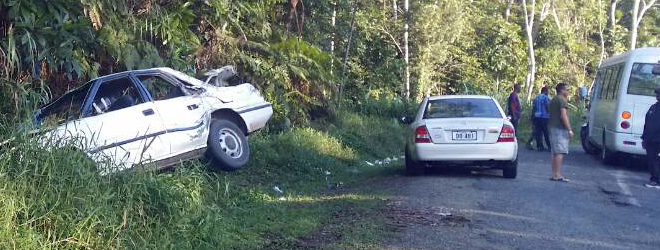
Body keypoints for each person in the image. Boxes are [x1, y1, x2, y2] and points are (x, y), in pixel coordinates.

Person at [549, 83, 573, 182]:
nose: (568, 92)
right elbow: (563, 116)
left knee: (555, 152)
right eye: (567, 90)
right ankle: (557, 174)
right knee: (559, 152)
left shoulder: (554, 99)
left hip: (552, 127)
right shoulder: (562, 100)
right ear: (562, 90)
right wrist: (569, 129)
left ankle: (554, 173)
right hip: (559, 129)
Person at [641, 87, 660, 189]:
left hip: (658, 139)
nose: (657, 96)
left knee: (657, 160)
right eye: (657, 94)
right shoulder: (653, 107)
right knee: (651, 159)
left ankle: (656, 180)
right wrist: (644, 138)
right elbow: (647, 124)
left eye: (659, 94)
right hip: (651, 140)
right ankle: (654, 179)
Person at [532, 87, 551, 151]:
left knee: (538, 132)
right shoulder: (546, 98)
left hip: (537, 116)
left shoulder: (536, 97)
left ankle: (539, 146)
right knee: (546, 132)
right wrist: (550, 113)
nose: (548, 93)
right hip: (544, 116)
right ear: (545, 91)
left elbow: (534, 108)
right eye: (547, 91)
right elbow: (547, 106)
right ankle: (549, 146)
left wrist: (533, 116)